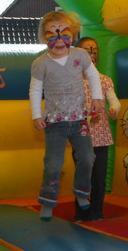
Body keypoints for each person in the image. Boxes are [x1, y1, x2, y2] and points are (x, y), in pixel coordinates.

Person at [30, 12, 105, 221]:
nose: (59, 40)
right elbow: (35, 89)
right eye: (51, 35)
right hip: (55, 123)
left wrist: (97, 98)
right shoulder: (41, 63)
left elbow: (93, 75)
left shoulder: (80, 55)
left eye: (64, 34)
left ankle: (81, 192)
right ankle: (47, 203)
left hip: (79, 120)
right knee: (53, 164)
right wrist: (36, 115)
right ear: (43, 38)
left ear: (72, 35)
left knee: (88, 158)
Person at [75, 37, 121, 221]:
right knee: (83, 177)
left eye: (94, 51)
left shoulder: (104, 81)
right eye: (87, 50)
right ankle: (81, 214)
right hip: (81, 137)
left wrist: (113, 109)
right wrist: (87, 114)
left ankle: (96, 213)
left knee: (99, 178)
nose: (92, 54)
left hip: (101, 137)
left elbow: (114, 101)